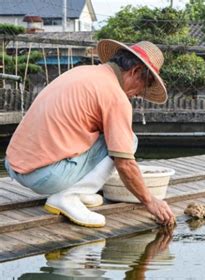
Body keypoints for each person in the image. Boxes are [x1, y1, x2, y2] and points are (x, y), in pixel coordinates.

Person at [4, 39, 175, 228]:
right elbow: (124, 163)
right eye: (144, 87)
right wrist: (150, 201)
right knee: (128, 141)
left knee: (114, 138)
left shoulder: (84, 72)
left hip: (14, 166)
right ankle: (66, 197)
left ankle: (78, 191)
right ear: (135, 72)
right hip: (44, 176)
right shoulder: (115, 96)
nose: (138, 94)